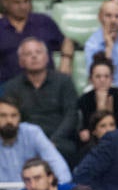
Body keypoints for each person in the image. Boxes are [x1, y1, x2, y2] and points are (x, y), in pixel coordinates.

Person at [3, 37, 79, 167]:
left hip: (59, 140)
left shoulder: (64, 82)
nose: (34, 56)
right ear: (21, 61)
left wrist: (53, 140)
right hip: (24, 141)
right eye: (28, 54)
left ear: (47, 57)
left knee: (68, 151)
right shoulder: (12, 87)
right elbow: (11, 117)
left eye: (38, 52)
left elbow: (71, 115)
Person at [0, 96, 71, 190]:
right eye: (3, 115)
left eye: (14, 115)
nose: (9, 121)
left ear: (19, 117)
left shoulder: (32, 132)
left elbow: (61, 170)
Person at [0, 0, 74, 83]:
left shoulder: (44, 21)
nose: (22, 6)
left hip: (46, 86)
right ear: (5, 3)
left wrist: (66, 60)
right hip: (7, 89)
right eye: (17, 2)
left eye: (26, 1)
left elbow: (66, 42)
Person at [77, 54, 118, 149]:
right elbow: (85, 129)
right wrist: (100, 107)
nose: (102, 80)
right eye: (98, 76)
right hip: (93, 144)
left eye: (106, 76)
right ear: (91, 79)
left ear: (112, 79)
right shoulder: (84, 100)